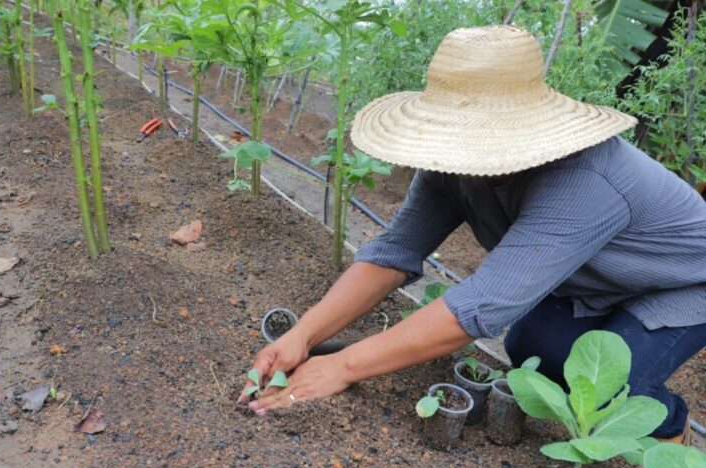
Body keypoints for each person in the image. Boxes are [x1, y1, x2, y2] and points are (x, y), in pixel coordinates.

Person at [238, 26, 706, 443]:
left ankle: (670, 434)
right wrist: (302, 335)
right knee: (533, 351)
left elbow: (480, 306)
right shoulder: (453, 163)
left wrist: (341, 366)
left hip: (682, 284)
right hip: (597, 281)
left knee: (616, 389)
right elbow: (395, 252)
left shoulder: (585, 181)